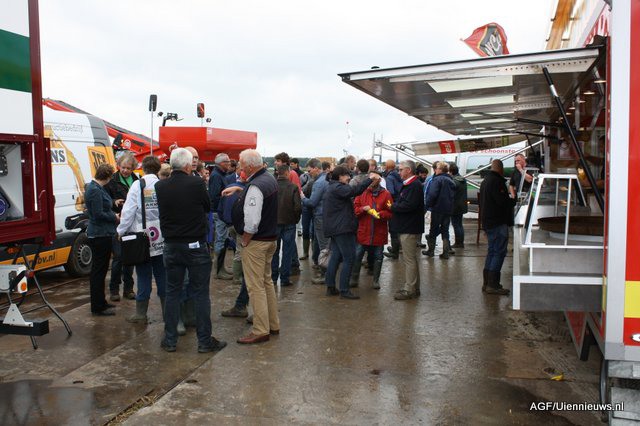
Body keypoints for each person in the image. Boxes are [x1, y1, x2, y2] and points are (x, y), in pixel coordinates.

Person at [156, 148, 227, 353]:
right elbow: (207, 205)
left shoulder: (161, 186)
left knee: (172, 292)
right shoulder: (196, 183)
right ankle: (204, 341)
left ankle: (170, 340)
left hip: (171, 245)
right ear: (188, 165)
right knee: (201, 293)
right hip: (194, 244)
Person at [227, 149, 280, 344]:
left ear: (249, 166)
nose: (240, 167)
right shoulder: (268, 179)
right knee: (266, 283)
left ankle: (260, 330)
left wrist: (245, 240)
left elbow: (252, 220)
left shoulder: (257, 186)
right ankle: (272, 324)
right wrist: (240, 189)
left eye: (241, 164)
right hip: (269, 239)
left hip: (257, 242)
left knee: (255, 287)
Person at [117, 156, 167, 323]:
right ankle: (168, 314)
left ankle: (140, 315)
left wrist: (121, 231)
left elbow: (128, 211)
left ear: (143, 168)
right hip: (161, 237)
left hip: (142, 238)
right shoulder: (162, 185)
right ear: (158, 169)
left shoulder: (137, 185)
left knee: (143, 275)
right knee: (162, 274)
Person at [322, 166, 375, 299]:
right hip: (342, 228)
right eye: (347, 175)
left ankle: (331, 286)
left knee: (336, 256)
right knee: (349, 258)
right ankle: (344, 290)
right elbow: (354, 190)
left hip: (336, 228)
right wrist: (370, 179)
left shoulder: (332, 186)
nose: (349, 177)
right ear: (340, 176)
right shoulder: (338, 187)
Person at [85, 163, 119, 316]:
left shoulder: (96, 188)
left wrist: (113, 207)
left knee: (101, 270)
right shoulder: (95, 190)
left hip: (102, 233)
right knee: (98, 271)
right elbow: (98, 214)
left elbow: (101, 208)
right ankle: (97, 306)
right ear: (108, 177)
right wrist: (115, 217)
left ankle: (101, 302)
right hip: (100, 234)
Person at [105, 152, 138, 301]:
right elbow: (105, 200)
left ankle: (128, 289)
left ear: (133, 168)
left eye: (128, 168)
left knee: (130, 257)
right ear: (118, 166)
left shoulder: (137, 180)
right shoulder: (112, 181)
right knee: (118, 258)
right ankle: (114, 290)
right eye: (123, 167)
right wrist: (114, 202)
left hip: (132, 224)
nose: (125, 170)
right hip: (117, 223)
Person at [479, 160, 515, 296]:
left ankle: (487, 282)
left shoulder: (485, 180)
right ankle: (493, 284)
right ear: (501, 169)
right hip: (497, 222)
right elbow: (501, 202)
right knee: (499, 252)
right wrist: (512, 201)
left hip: (488, 221)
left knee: (492, 251)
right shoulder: (497, 182)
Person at [390, 160, 425, 301]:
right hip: (408, 225)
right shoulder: (411, 184)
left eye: (400, 170)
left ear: (408, 170)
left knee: (409, 259)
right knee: (411, 259)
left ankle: (409, 289)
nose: (399, 172)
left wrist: (392, 206)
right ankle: (414, 287)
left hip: (409, 226)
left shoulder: (414, 185)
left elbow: (409, 205)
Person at [352, 174, 393, 289]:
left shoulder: (386, 194)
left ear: (379, 181)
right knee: (357, 255)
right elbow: (354, 210)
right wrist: (362, 209)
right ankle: (354, 279)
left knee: (378, 257)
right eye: (370, 179)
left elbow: (391, 212)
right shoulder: (361, 193)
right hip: (363, 231)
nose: (371, 181)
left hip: (379, 232)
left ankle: (376, 280)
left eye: (374, 179)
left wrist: (381, 214)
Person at [271, 165, 302, 286]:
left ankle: (273, 277)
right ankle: (284, 278)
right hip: (289, 222)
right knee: (287, 251)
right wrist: (295, 219)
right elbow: (298, 207)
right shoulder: (293, 187)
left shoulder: (272, 186)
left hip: (274, 222)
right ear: (287, 173)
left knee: (274, 251)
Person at [302, 161, 331, 283]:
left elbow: (312, 202)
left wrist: (302, 197)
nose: (309, 173)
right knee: (325, 245)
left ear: (317, 169)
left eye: (310, 170)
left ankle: (325, 276)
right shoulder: (327, 179)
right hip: (328, 215)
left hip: (320, 216)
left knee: (324, 247)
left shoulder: (319, 183)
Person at [208, 152, 233, 280]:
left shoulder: (221, 174)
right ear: (222, 163)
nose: (229, 164)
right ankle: (218, 271)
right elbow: (214, 196)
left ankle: (221, 267)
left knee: (223, 239)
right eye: (227, 162)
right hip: (219, 213)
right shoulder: (216, 176)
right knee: (220, 240)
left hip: (221, 212)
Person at [423, 162, 456, 259]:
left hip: (437, 208)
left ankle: (431, 251)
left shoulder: (437, 180)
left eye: (436, 168)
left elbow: (432, 194)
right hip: (448, 209)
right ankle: (446, 252)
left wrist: (427, 205)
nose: (435, 170)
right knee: (445, 230)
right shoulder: (451, 180)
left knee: (433, 229)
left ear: (440, 169)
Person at [299, 158, 320, 260]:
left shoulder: (317, 181)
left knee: (314, 232)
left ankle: (312, 255)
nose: (308, 172)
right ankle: (306, 253)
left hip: (311, 206)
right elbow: (302, 190)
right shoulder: (309, 180)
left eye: (309, 170)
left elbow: (302, 192)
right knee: (307, 230)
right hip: (307, 207)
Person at [383, 159, 403, 259]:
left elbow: (390, 192)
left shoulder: (390, 178)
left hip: (394, 204)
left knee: (393, 228)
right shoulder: (399, 175)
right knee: (399, 227)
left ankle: (395, 252)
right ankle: (397, 247)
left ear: (386, 167)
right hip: (401, 203)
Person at [450, 163, 468, 249]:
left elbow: (451, 194)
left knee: (456, 225)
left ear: (451, 172)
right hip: (461, 205)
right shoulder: (462, 179)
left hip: (455, 206)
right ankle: (460, 242)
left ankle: (458, 243)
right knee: (459, 224)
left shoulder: (454, 181)